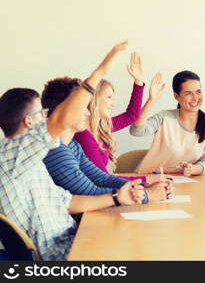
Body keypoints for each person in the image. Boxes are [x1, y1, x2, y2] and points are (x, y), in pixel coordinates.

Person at [0, 41, 146, 260]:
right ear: (30, 122)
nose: (47, 116)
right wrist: (98, 74)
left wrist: (118, 197)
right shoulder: (9, 155)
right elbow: (59, 120)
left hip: (71, 238)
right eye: (42, 113)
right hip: (58, 254)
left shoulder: (32, 162)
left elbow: (68, 201)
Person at [41, 77, 172, 200]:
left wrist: (144, 187)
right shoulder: (60, 148)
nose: (87, 112)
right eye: (82, 106)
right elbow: (90, 191)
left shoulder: (74, 144)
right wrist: (146, 193)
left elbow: (102, 178)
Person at [74, 52, 148, 179]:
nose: (113, 104)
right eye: (109, 97)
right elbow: (103, 178)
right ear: (94, 99)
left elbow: (132, 116)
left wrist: (138, 81)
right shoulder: (83, 135)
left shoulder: (102, 127)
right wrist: (146, 179)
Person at [130, 70, 205, 176]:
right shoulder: (165, 118)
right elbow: (136, 131)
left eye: (198, 91)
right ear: (176, 96)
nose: (195, 98)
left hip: (183, 182)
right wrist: (151, 100)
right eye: (188, 93)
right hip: (148, 178)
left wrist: (193, 169)